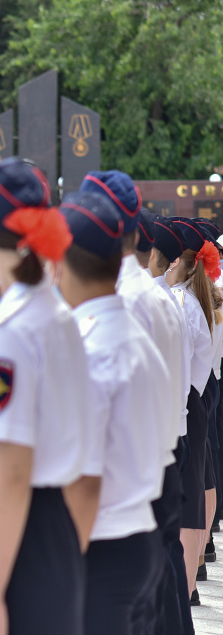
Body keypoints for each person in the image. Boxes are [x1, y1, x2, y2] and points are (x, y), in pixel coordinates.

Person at [0, 158, 96, 635]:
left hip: (16, 530)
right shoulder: (57, 316)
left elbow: (12, 473)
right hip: (53, 524)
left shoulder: (11, 335)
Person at [81, 175, 192, 635]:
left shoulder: (123, 300)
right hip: (160, 451)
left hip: (133, 465)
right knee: (161, 587)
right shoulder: (150, 293)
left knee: (139, 602)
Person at [56, 190, 168, 635]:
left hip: (100, 542)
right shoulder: (119, 333)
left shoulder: (96, 349)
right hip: (130, 532)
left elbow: (86, 480)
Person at [166, 217, 220, 605]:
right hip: (193, 396)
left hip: (186, 398)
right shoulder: (191, 299)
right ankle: (192, 575)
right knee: (196, 487)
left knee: (190, 494)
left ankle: (188, 582)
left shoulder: (183, 303)